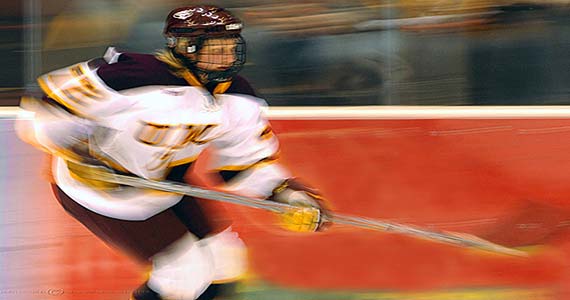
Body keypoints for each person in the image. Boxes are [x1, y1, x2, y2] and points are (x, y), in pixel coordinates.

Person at [17, 5, 330, 300]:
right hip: (102, 194)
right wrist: (80, 157)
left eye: (231, 45)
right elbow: (45, 110)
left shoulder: (239, 97)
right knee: (183, 274)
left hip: (165, 185)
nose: (227, 55)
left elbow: (246, 164)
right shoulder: (131, 76)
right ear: (184, 47)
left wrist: (287, 196)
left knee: (226, 262)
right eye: (215, 46)